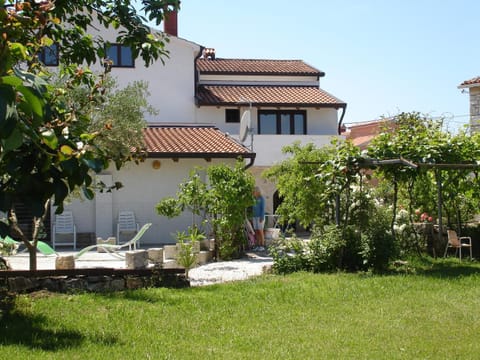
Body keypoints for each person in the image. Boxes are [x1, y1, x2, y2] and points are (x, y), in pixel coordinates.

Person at [252, 186, 265, 251]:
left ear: (257, 191)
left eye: (254, 191)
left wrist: (262, 217)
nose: (253, 192)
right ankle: (257, 245)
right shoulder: (253, 199)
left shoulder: (261, 198)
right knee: (256, 231)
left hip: (260, 217)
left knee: (260, 231)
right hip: (254, 217)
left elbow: (263, 209)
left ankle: (262, 245)